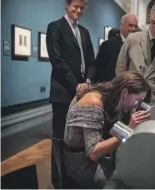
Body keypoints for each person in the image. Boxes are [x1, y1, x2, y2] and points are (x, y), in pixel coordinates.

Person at [63, 72, 151, 188]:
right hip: (80, 164)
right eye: (137, 101)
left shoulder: (111, 100)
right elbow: (93, 153)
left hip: (91, 158)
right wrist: (128, 130)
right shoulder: (94, 103)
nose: (136, 106)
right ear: (124, 92)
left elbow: (114, 134)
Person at [46, 0, 96, 187]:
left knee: (77, 138)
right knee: (59, 137)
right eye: (75, 6)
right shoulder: (55, 28)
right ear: (66, 5)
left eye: (82, 7)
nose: (79, 10)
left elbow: (91, 61)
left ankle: (73, 178)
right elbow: (57, 61)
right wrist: (76, 85)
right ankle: (58, 181)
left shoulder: (84, 32)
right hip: (64, 92)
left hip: (83, 92)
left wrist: (88, 82)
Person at [115, 2, 155, 104]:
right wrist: (125, 90)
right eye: (153, 22)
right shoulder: (133, 39)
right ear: (149, 18)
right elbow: (120, 68)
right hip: (132, 95)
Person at [95, 14, 138, 83]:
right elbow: (98, 71)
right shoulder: (107, 45)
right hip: (111, 89)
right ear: (121, 25)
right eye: (130, 25)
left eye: (135, 26)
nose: (133, 29)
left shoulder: (139, 47)